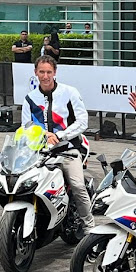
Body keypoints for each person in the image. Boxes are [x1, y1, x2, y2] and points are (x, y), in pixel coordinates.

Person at [21, 55, 94, 235]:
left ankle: (89, 227)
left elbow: (83, 122)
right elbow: (25, 126)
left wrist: (60, 135)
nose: (45, 76)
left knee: (77, 185)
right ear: (35, 72)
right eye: (41, 72)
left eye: (49, 72)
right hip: (39, 152)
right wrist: (42, 134)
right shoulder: (30, 98)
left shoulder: (69, 92)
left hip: (68, 149)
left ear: (55, 72)